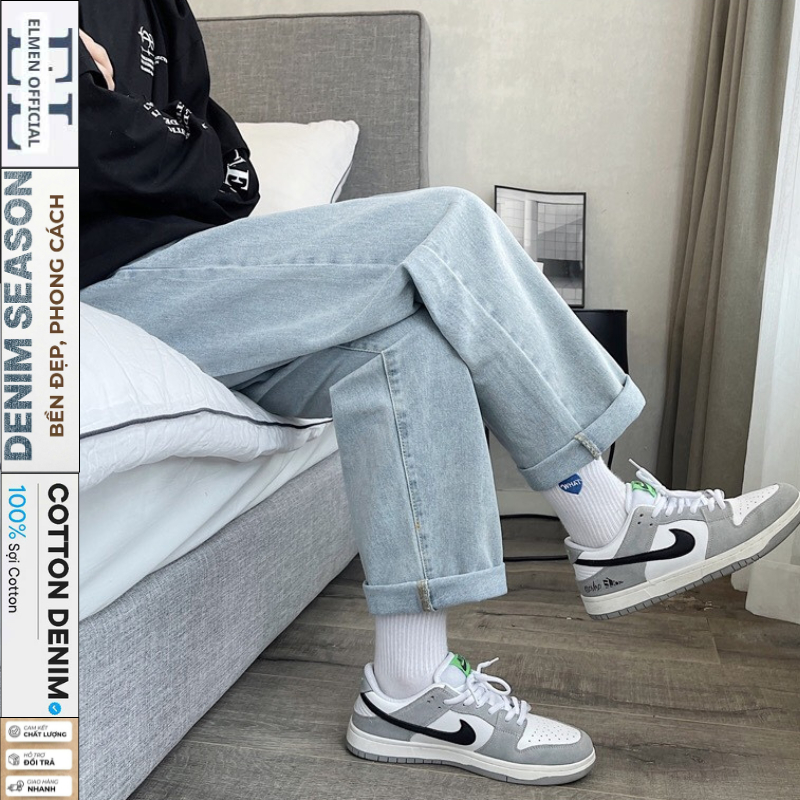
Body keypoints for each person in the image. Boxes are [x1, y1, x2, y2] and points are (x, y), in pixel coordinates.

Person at [78, 0, 800, 786]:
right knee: (446, 222)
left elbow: (235, 180)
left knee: (410, 346)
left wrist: (132, 124)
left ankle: (407, 690)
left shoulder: (166, 12)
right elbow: (88, 152)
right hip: (103, 288)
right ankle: (608, 517)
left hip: (213, 285)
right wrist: (156, 138)